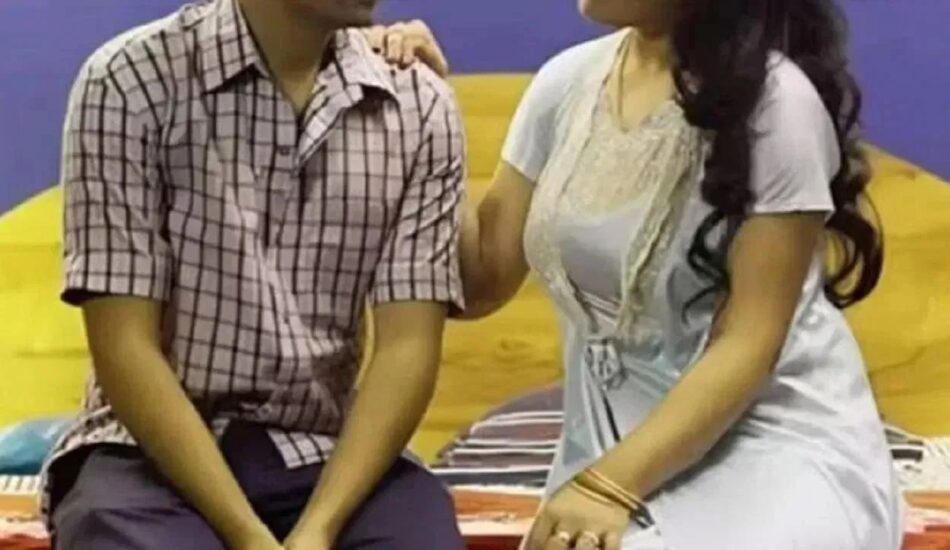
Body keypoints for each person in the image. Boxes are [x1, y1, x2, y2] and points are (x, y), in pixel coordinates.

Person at [376, 0, 902, 548]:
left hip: (771, 445)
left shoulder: (778, 104)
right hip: (607, 449)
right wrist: (427, 113)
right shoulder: (565, 83)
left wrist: (608, 487)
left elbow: (748, 344)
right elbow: (481, 279)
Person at [43, 0, 467, 548]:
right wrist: (250, 538)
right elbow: (125, 345)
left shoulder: (419, 103)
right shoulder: (129, 80)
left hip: (326, 451)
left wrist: (319, 529)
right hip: (146, 456)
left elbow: (408, 346)